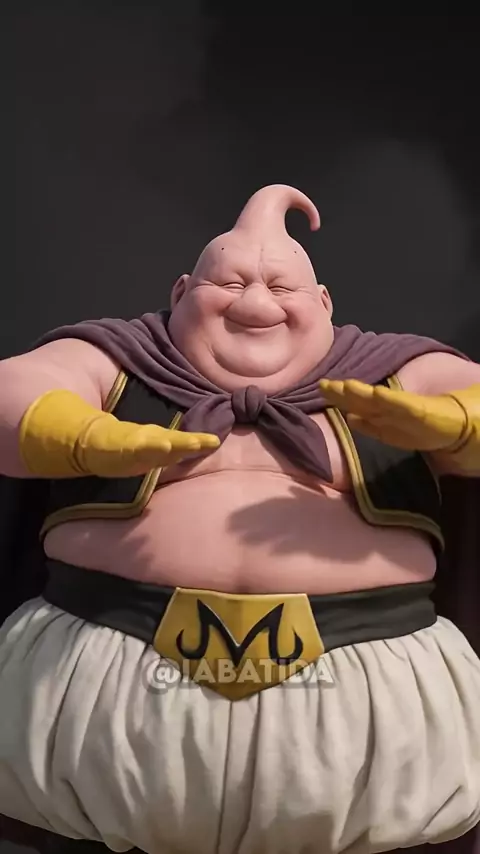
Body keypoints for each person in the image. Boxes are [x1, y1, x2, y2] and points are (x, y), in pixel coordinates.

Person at [0, 185, 479, 854]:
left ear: (324, 304)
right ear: (180, 292)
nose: (255, 304)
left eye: (281, 287)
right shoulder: (119, 357)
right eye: (229, 283)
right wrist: (76, 433)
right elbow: (18, 386)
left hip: (364, 708)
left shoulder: (394, 373)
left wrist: (457, 422)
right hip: (105, 695)